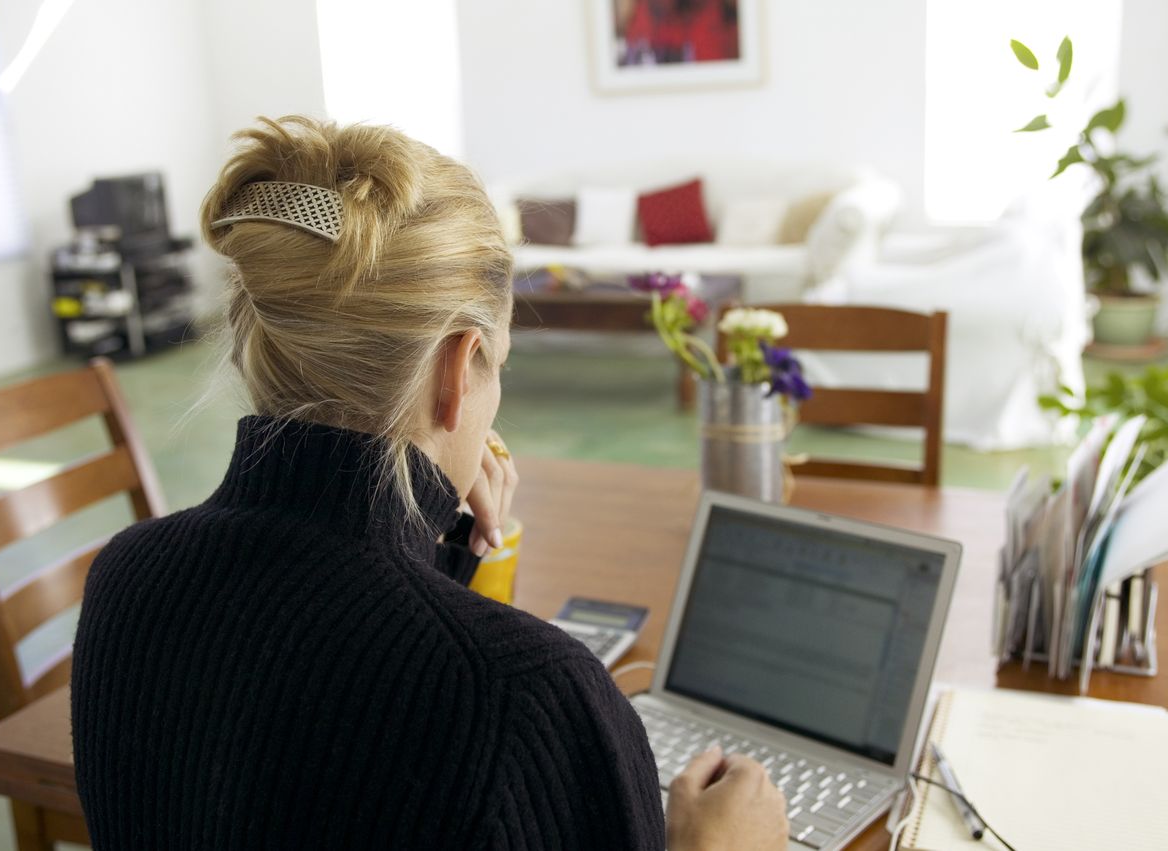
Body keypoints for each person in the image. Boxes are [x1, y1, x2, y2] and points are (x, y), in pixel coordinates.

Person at [71, 116, 788, 850]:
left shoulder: (128, 575)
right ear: (457, 369)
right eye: (496, 365)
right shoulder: (529, 697)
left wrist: (434, 539)